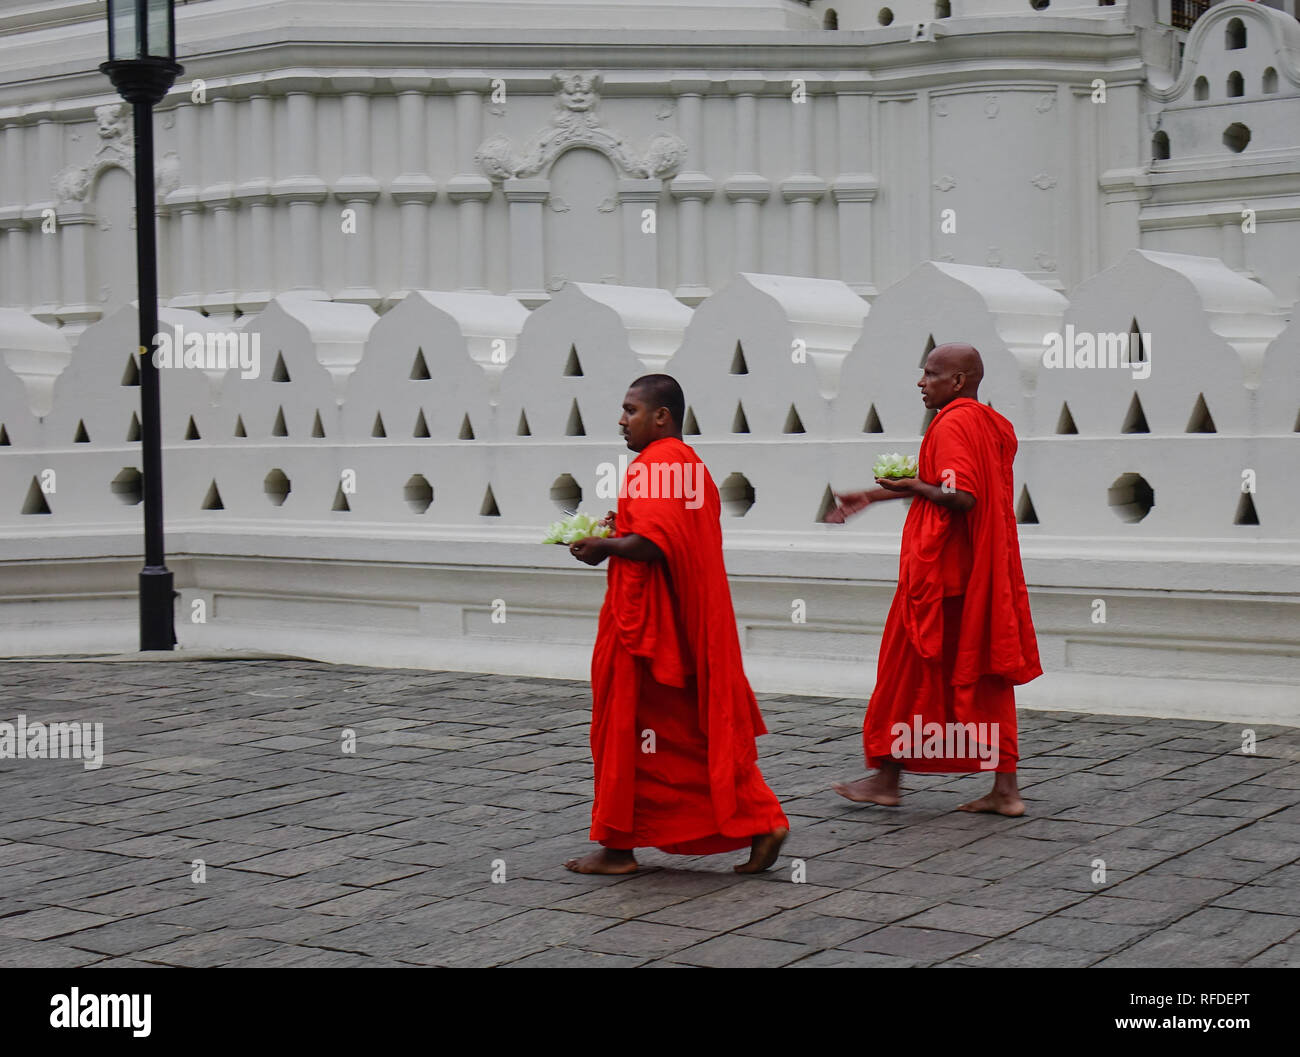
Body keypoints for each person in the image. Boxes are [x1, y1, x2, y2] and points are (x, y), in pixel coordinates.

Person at [564, 374, 789, 874]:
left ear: (660, 416)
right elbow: (663, 534)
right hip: (678, 627)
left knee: (631, 732)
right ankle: (756, 820)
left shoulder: (659, 463)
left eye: (631, 410)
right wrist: (618, 531)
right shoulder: (689, 466)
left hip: (646, 631)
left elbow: (653, 545)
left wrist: (605, 546)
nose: (622, 421)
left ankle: (620, 847)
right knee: (675, 736)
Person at [826, 343, 1041, 816]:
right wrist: (871, 496)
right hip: (976, 574)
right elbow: (957, 486)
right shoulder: (990, 423)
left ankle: (886, 779)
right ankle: (1005, 790)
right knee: (985, 679)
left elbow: (961, 496)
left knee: (904, 674)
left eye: (930, 374)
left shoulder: (952, 422)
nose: (921, 382)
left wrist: (912, 487)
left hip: (942, 579)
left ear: (958, 381)